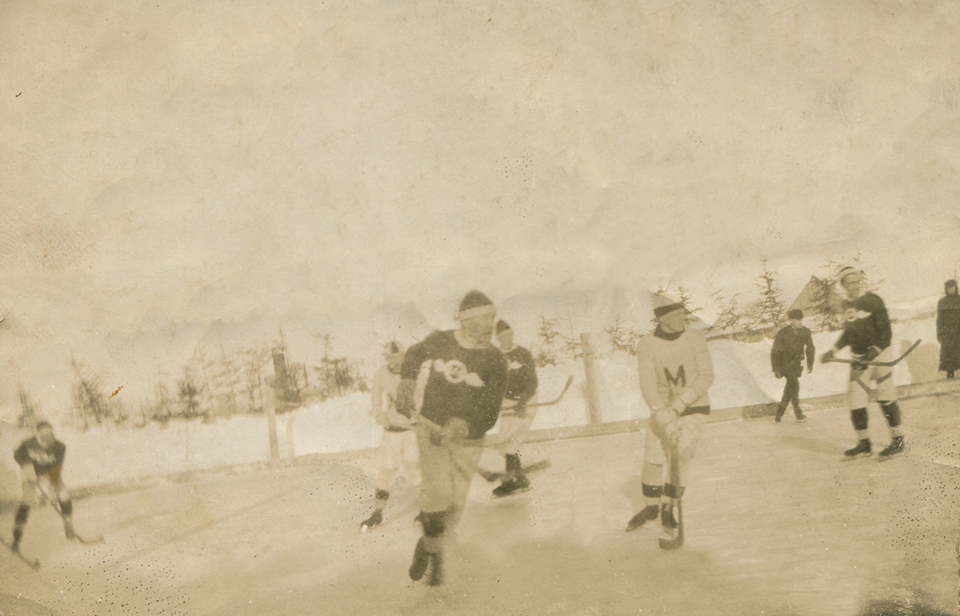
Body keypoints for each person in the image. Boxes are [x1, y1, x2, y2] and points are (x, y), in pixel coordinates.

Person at [397, 290, 507, 586]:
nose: (490, 325)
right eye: (483, 318)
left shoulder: (496, 360)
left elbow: (490, 411)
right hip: (431, 430)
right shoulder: (441, 340)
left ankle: (431, 545)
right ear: (466, 321)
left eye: (492, 318)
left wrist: (463, 424)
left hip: (469, 440)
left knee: (455, 506)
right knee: (437, 494)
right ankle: (432, 548)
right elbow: (414, 354)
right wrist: (407, 381)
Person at [626, 300, 714, 547]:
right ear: (664, 318)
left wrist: (678, 406)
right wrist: (665, 418)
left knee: (680, 454)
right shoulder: (647, 345)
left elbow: (707, 375)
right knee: (652, 458)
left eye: (684, 313)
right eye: (678, 314)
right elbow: (648, 388)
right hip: (662, 410)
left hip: (693, 408)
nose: (683, 318)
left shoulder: (695, 338)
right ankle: (651, 510)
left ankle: (668, 508)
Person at [821, 266, 904, 460]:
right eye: (850, 282)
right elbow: (849, 334)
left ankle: (898, 441)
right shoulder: (845, 305)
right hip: (859, 359)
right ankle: (864, 444)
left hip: (880, 355)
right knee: (856, 401)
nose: (855, 285)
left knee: (886, 396)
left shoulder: (873, 300)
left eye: (857, 281)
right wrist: (833, 350)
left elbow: (886, 333)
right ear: (843, 285)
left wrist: (873, 352)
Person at [359, 341, 420, 531]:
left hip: (411, 430)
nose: (395, 362)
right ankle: (377, 513)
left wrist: (419, 415)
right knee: (385, 471)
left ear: (404, 356)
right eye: (390, 358)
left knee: (413, 467)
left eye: (398, 357)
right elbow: (376, 401)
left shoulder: (415, 372)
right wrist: (380, 416)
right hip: (391, 431)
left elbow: (424, 397)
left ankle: (428, 509)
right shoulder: (382, 374)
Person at [491, 320, 539, 497]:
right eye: (503, 337)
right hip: (508, 401)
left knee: (511, 441)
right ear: (498, 338)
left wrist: (523, 402)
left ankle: (514, 481)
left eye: (509, 335)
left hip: (527, 399)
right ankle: (518, 479)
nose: (507, 339)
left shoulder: (523, 353)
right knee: (504, 443)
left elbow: (533, 382)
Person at [10, 421, 75, 551]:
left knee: (63, 493)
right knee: (26, 502)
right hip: (29, 472)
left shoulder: (59, 447)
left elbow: (55, 470)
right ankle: (16, 537)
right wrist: (28, 469)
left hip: (46, 473)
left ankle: (68, 523)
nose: (46, 439)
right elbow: (17, 455)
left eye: (49, 435)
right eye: (42, 435)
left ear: (53, 434)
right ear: (37, 435)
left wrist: (49, 492)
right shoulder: (28, 444)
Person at [770, 308, 815, 423]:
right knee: (794, 384)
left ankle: (779, 414)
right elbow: (774, 351)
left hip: (797, 365)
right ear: (791, 320)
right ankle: (798, 413)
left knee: (789, 389)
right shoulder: (783, 333)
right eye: (797, 320)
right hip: (785, 364)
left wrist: (810, 362)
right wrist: (776, 369)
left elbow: (810, 347)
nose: (800, 322)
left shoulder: (805, 331)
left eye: (801, 319)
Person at [937, 279, 960, 379]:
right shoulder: (942, 302)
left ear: (956, 287)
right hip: (948, 334)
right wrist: (939, 333)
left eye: (953, 287)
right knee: (949, 357)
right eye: (949, 287)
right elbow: (939, 320)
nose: (951, 289)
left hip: (959, 331)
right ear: (946, 289)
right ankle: (950, 377)